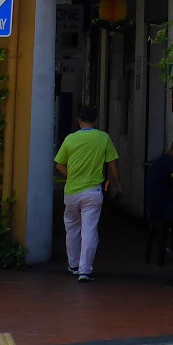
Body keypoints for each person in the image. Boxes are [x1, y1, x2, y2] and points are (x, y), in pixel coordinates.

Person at [54, 105, 120, 283]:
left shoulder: (70, 139)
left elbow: (59, 165)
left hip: (72, 191)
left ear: (78, 120)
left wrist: (72, 175)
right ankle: (85, 270)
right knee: (89, 229)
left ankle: (73, 265)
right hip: (93, 191)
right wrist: (117, 185)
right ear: (96, 120)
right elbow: (113, 165)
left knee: (72, 228)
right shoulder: (103, 138)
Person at [146, 136, 173, 259]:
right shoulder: (169, 162)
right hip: (163, 208)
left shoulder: (162, 160)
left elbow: (167, 186)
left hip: (155, 207)